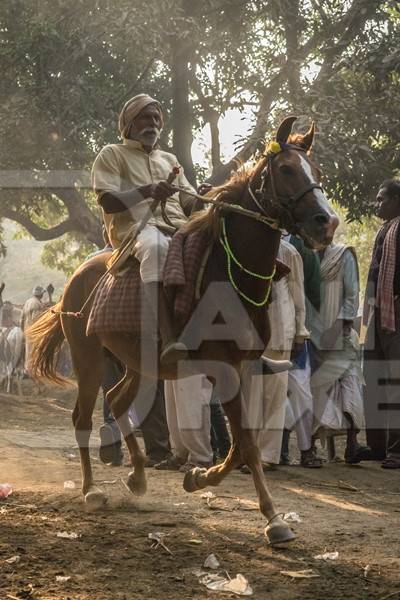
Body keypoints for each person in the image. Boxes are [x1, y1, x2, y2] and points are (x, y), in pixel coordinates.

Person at [91, 93, 197, 366]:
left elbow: (189, 201)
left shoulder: (170, 159)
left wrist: (209, 195)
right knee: (156, 247)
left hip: (179, 228)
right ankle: (167, 335)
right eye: (145, 117)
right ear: (129, 122)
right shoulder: (112, 154)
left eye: (156, 117)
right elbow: (107, 200)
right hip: (138, 231)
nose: (153, 123)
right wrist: (147, 191)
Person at [242, 239, 309, 472]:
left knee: (274, 396)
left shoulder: (289, 252)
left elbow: (299, 294)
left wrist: (301, 332)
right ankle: (248, 453)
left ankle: (268, 456)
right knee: (250, 396)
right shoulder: (248, 246)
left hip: (281, 331)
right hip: (252, 334)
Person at [309, 242, 370, 463]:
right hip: (312, 333)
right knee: (317, 388)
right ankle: (311, 447)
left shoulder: (343, 256)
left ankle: (353, 444)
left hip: (341, 333)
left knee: (350, 383)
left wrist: (336, 327)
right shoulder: (307, 253)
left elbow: (352, 295)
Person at [363, 178, 400, 468]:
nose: (377, 205)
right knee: (373, 377)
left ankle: (396, 450)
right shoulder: (383, 231)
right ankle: (377, 447)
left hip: (396, 311)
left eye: (382, 199)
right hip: (379, 313)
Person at [281, 235, 322, 467]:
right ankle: (278, 450)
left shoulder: (300, 246)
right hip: (265, 332)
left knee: (300, 393)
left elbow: (314, 293)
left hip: (295, 331)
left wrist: (302, 329)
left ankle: (307, 450)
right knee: (271, 395)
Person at [21, 286, 45, 371]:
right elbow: (37, 318)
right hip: (35, 331)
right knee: (36, 350)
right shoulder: (37, 304)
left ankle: (27, 369)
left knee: (28, 350)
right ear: (40, 294)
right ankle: (34, 369)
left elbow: (22, 318)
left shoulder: (28, 302)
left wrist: (23, 330)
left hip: (27, 330)